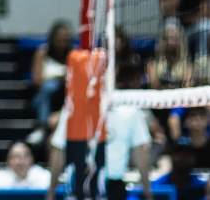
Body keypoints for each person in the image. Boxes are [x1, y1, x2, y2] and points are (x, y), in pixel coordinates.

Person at [46, 63, 153, 200]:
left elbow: (140, 152)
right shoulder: (74, 107)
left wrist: (148, 192)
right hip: (80, 182)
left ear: (114, 71)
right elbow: (60, 149)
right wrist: (51, 191)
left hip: (113, 186)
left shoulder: (129, 108)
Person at [28, 20, 72, 144]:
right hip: (42, 98)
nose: (63, 43)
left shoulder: (72, 55)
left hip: (64, 98)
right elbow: (36, 81)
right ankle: (42, 126)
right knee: (49, 86)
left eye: (66, 39)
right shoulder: (42, 53)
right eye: (60, 39)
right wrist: (58, 77)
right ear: (52, 39)